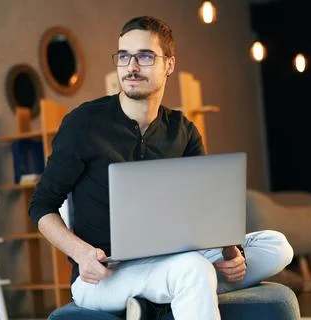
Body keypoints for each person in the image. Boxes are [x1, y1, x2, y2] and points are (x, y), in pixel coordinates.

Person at [29, 16, 294, 320]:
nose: (131, 67)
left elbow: (206, 211)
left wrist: (232, 253)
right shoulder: (84, 124)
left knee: (277, 246)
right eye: (124, 56)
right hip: (106, 276)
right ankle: (178, 289)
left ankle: (155, 301)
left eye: (144, 56)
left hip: (175, 259)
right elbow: (41, 206)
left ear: (169, 64)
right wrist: (81, 253)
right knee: (192, 270)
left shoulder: (183, 130)